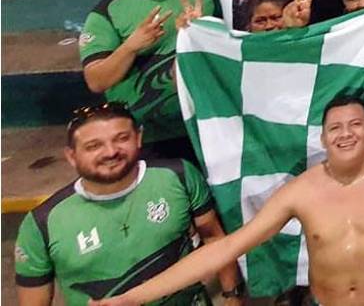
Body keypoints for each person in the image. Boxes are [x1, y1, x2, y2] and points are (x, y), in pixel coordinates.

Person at [90, 95, 364, 306]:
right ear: (323, 138)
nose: (345, 133)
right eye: (334, 128)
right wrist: (132, 299)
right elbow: (227, 247)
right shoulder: (302, 190)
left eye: (355, 125)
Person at [13, 103, 242, 306]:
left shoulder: (179, 176)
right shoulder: (42, 222)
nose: (111, 152)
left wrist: (233, 296)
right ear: (71, 156)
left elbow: (214, 237)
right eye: (94, 146)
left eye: (122, 138)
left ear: (139, 138)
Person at [79, 0, 214, 159]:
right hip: (148, 130)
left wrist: (199, 34)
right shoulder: (107, 12)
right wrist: (131, 46)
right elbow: (96, 81)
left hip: (205, 119)